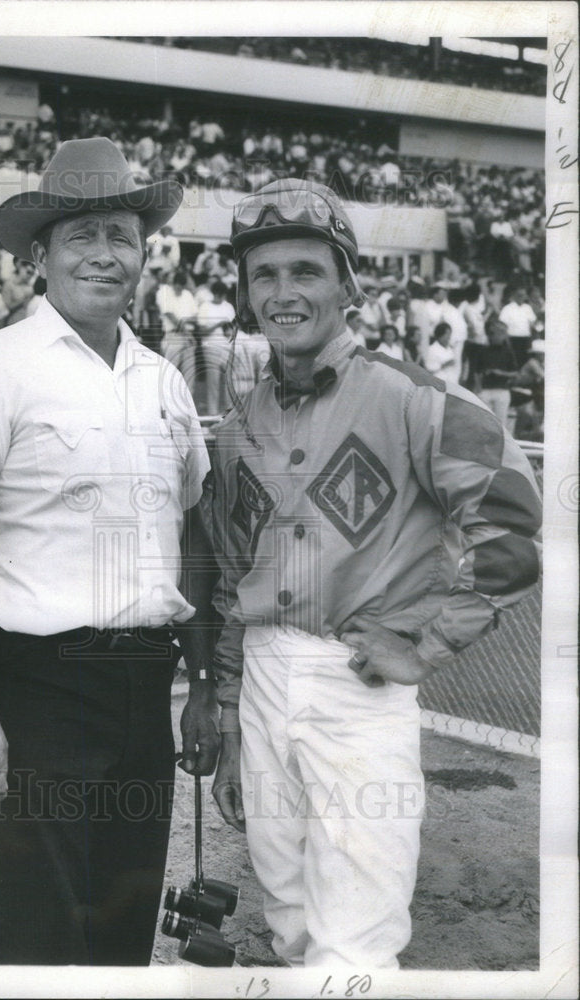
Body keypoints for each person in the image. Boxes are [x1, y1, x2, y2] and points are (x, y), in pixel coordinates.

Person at [207, 178, 541, 968]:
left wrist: (422, 642)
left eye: (305, 271)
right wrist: (226, 714)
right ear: (246, 295)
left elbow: (514, 525)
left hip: (357, 681)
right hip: (258, 680)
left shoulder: (414, 399)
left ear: (347, 285)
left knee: (354, 943)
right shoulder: (235, 429)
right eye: (264, 276)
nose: (283, 292)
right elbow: (230, 579)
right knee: (288, 921)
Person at [0, 137, 219, 966]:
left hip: (146, 685)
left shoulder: (163, 379)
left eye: (121, 235)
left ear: (144, 255)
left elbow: (184, 538)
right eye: (81, 236)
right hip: (35, 687)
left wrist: (204, 685)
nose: (105, 255)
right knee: (37, 934)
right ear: (40, 256)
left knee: (123, 925)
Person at [469, 318, 519, 428]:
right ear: (490, 336)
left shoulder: (508, 352)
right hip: (485, 391)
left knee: (501, 424)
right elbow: (476, 372)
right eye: (497, 334)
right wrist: (478, 388)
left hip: (502, 390)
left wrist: (501, 373)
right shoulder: (482, 351)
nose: (501, 337)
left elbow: (515, 373)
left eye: (502, 334)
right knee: (485, 423)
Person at [198, 280, 236, 415]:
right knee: (213, 383)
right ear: (213, 294)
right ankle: (212, 415)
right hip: (210, 347)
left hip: (227, 347)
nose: (220, 298)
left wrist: (228, 330)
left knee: (230, 382)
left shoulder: (229, 307)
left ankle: (230, 414)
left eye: (222, 295)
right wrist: (218, 324)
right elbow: (202, 332)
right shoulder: (205, 307)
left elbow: (232, 331)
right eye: (217, 295)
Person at [155, 271, 198, 392]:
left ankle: (188, 409)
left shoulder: (187, 294)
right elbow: (169, 315)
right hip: (173, 336)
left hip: (188, 338)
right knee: (170, 374)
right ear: (173, 284)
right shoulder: (164, 292)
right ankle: (167, 407)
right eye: (177, 285)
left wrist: (184, 322)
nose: (179, 289)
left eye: (181, 286)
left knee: (189, 375)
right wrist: (187, 331)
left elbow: (195, 317)